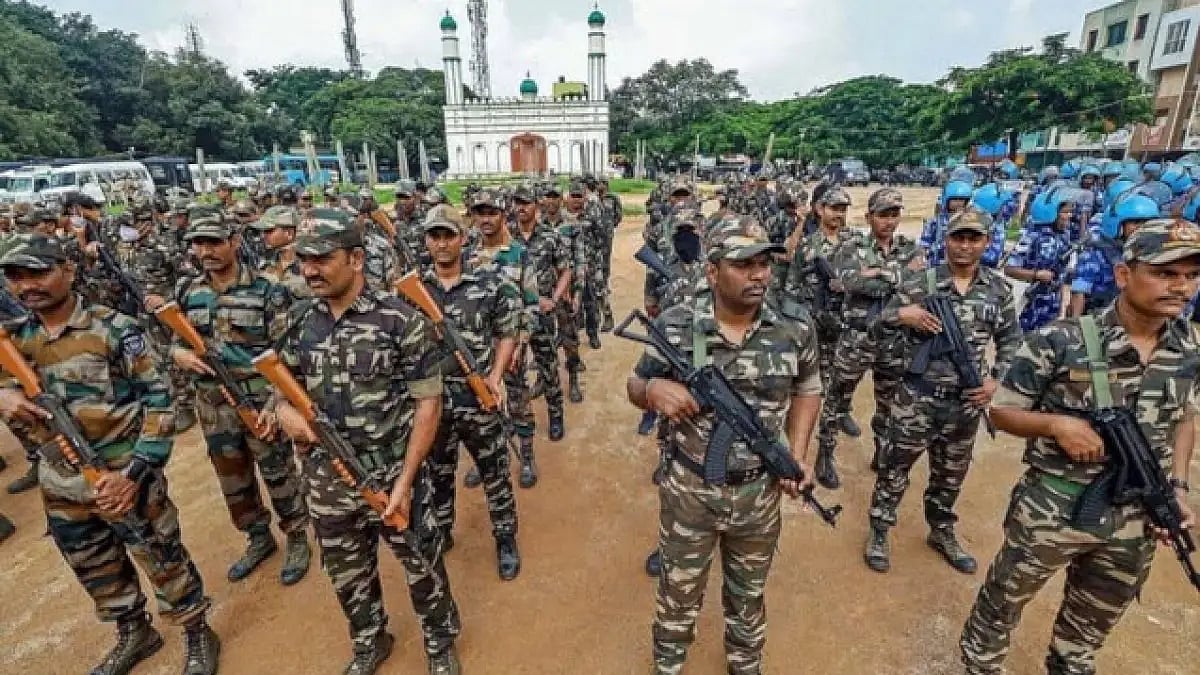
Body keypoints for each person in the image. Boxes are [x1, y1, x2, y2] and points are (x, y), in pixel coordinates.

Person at [959, 219, 1200, 674]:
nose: (1181, 286)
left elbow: (1186, 416)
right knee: (1002, 604)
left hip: (1137, 517)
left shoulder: (1189, 346)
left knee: (1093, 622)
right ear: (1124, 274)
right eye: (1165, 273)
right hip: (1054, 507)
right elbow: (1001, 411)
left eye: (1191, 275)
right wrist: (1055, 424)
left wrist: (1178, 487)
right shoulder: (1061, 340)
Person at [0, 234, 220, 675]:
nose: (26, 287)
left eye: (37, 273)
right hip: (61, 482)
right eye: (15, 278)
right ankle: (134, 630)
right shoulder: (14, 338)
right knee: (93, 564)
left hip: (125, 475)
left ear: (69, 270)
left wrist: (134, 474)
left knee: (160, 555)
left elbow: (161, 407)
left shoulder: (115, 329)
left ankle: (196, 630)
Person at [627, 216, 821, 675]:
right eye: (743, 264)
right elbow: (636, 383)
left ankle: (744, 663)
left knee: (748, 595)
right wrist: (653, 391)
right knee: (678, 592)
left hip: (759, 494)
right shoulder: (678, 324)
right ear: (712, 271)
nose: (759, 274)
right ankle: (668, 664)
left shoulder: (794, 325)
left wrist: (796, 452)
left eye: (764, 263)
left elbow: (808, 387)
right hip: (691, 491)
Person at [273, 214, 462, 675]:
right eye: (304, 260)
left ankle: (439, 641)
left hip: (393, 474)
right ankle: (369, 640)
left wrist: (407, 479)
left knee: (422, 563)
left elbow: (429, 404)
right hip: (326, 479)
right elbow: (278, 389)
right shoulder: (299, 323)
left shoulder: (400, 320)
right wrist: (287, 416)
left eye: (323, 259)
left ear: (356, 259)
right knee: (347, 571)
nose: (311, 270)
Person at [866, 207, 1021, 574]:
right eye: (958, 237)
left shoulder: (997, 289)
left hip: (965, 404)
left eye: (974, 238)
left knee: (950, 474)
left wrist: (995, 379)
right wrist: (902, 316)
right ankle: (879, 530)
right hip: (916, 398)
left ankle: (941, 530)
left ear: (986, 242)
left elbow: (1012, 340)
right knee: (894, 469)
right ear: (946, 240)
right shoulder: (922, 281)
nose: (965, 246)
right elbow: (874, 324)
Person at [172, 214, 311, 585]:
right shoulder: (188, 291)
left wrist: (274, 406)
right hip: (214, 406)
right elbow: (171, 338)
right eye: (198, 244)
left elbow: (286, 354)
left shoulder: (267, 289)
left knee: (279, 472)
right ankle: (258, 537)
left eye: (214, 242)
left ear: (233, 241)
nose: (206, 252)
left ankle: (297, 535)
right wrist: (179, 354)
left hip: (259, 402)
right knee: (233, 480)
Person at [420, 201, 522, 578]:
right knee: (437, 473)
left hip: (476, 396)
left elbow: (507, 330)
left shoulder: (489, 281)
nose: (442, 243)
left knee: (494, 471)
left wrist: (496, 376)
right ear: (427, 241)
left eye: (449, 235)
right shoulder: (413, 288)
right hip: (431, 401)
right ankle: (442, 529)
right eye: (435, 236)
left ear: (463, 239)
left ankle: (505, 537)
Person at [816, 187, 924, 488]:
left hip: (893, 341)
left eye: (895, 215)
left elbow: (919, 286)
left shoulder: (910, 248)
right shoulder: (852, 246)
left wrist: (880, 273)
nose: (890, 221)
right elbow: (851, 282)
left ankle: (882, 450)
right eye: (883, 215)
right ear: (869, 217)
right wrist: (898, 276)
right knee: (837, 399)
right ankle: (825, 453)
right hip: (857, 338)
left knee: (889, 404)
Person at [509, 186, 570, 443]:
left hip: (541, 314)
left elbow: (566, 270)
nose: (521, 208)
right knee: (513, 373)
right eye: (517, 203)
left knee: (548, 366)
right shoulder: (506, 237)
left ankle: (556, 415)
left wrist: (555, 299)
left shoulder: (550, 236)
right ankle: (517, 420)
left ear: (536, 205)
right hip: (511, 317)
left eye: (526, 202)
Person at [1005, 189, 1075, 332]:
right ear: (1050, 213)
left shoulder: (1064, 237)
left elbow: (1063, 276)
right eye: (1065, 212)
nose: (1069, 216)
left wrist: (1062, 307)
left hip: (1052, 305)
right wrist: (1036, 275)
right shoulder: (1031, 236)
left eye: (1070, 212)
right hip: (1030, 305)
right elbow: (1009, 269)